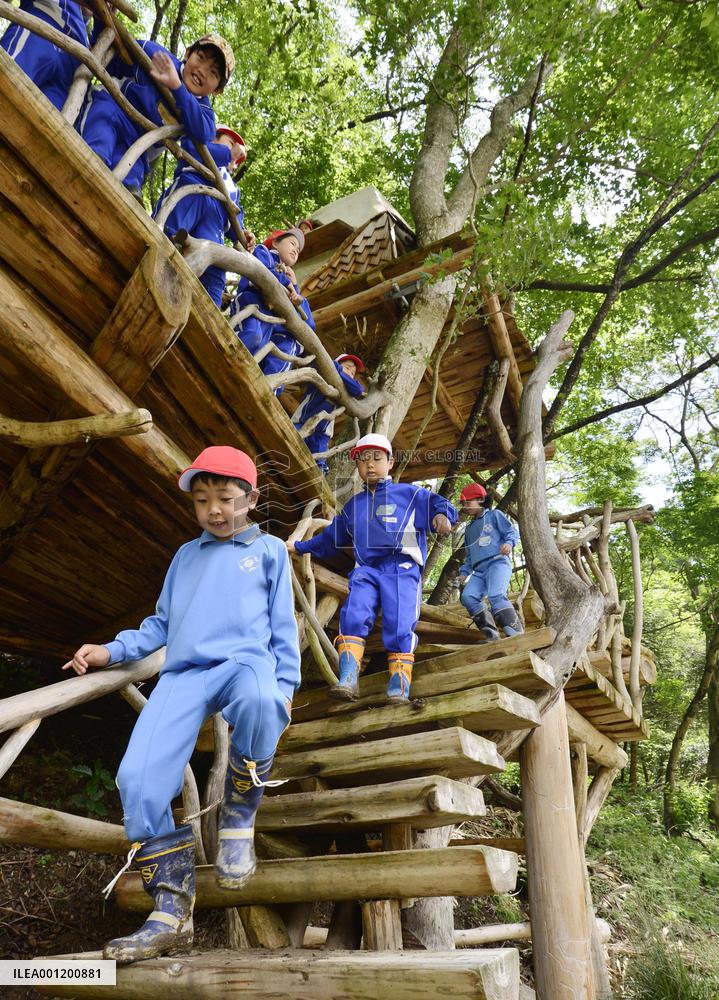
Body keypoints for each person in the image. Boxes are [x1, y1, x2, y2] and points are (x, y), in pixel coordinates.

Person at [62, 446, 300, 964]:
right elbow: (160, 627)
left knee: (263, 701)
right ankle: (171, 911)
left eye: (226, 498)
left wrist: (286, 687)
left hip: (245, 663)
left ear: (252, 498)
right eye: (201, 500)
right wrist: (110, 651)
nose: (214, 509)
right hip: (183, 673)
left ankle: (239, 812)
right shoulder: (185, 557)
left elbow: (285, 629)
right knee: (138, 780)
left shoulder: (270, 551)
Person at [288, 433, 456, 703]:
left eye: (377, 458)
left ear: (390, 463)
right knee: (353, 614)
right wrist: (300, 547)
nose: (370, 465)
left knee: (400, 623)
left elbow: (439, 504)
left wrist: (441, 517)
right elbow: (332, 538)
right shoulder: (355, 505)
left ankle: (399, 683)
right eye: (363, 460)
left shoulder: (409, 494)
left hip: (402, 567)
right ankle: (348, 677)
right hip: (366, 568)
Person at [78, 32, 233, 194]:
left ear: (217, 90)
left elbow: (204, 134)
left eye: (214, 73)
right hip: (115, 110)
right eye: (201, 57)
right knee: (102, 130)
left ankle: (124, 200)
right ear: (187, 53)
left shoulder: (203, 110)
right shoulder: (159, 57)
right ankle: (91, 160)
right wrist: (101, 26)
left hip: (140, 146)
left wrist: (177, 88)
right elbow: (114, 50)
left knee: (132, 175)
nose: (203, 71)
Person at [153, 124, 254, 306]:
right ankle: (161, 248)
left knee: (215, 273)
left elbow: (236, 218)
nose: (235, 156)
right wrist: (225, 154)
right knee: (174, 227)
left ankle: (210, 310)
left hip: (214, 231)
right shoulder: (201, 149)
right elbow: (190, 148)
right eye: (230, 144)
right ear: (213, 139)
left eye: (238, 160)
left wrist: (243, 233)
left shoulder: (233, 189)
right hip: (191, 197)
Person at [230, 228, 315, 391]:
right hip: (252, 304)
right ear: (276, 242)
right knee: (252, 335)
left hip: (268, 321)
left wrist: (295, 290)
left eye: (298, 251)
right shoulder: (264, 252)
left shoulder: (293, 289)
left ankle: (256, 385)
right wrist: (287, 283)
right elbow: (263, 272)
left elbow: (309, 325)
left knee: (262, 344)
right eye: (292, 244)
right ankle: (230, 359)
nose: (295, 251)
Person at [458, 482, 523, 641]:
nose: (465, 506)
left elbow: (511, 532)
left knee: (496, 595)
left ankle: (516, 636)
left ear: (480, 499)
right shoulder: (469, 529)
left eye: (468, 502)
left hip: (497, 563)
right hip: (478, 571)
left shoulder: (495, 515)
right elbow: (469, 556)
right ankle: (492, 636)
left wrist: (509, 543)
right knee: (468, 596)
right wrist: (464, 573)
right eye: (464, 503)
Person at [1, 0, 89, 111]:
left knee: (45, 123)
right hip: (42, 24)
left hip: (72, 65)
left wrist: (89, 14)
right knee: (7, 80)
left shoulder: (84, 26)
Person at [292, 353, 365, 474]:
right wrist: (337, 370)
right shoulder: (320, 376)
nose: (349, 373)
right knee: (291, 446)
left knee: (318, 466)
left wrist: (341, 373)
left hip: (322, 434)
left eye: (352, 373)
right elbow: (330, 365)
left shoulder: (344, 392)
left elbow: (358, 389)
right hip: (301, 423)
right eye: (347, 367)